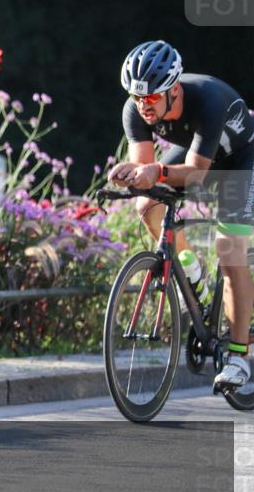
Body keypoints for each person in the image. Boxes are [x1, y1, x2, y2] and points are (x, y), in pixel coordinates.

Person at [108, 40, 254, 391]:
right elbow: (147, 170)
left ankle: (239, 357)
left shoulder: (208, 100)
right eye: (137, 97)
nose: (143, 106)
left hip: (241, 160)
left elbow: (196, 173)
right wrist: (129, 174)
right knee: (147, 205)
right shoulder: (136, 110)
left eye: (152, 98)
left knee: (229, 248)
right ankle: (193, 274)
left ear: (174, 90)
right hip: (200, 154)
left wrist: (154, 172)